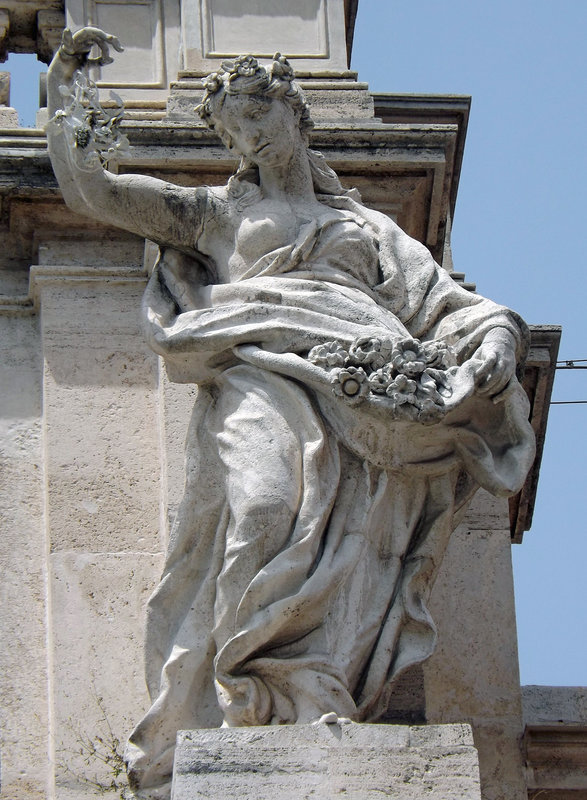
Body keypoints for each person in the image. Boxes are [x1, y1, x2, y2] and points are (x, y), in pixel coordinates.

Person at [47, 28, 535, 800]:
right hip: (261, 371)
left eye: (257, 112)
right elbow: (96, 192)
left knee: (351, 549)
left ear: (292, 114)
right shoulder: (210, 216)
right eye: (231, 121)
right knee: (266, 506)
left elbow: (451, 307)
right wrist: (65, 95)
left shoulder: (368, 230)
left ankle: (310, 690)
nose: (245, 131)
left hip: (366, 393)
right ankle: (249, 687)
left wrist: (496, 342)